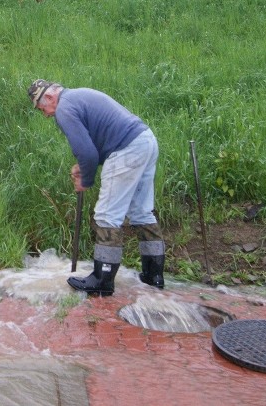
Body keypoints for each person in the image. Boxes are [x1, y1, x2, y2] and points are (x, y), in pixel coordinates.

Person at [27, 79, 166, 296]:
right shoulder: (78, 95)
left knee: (107, 215)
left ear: (50, 98)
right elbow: (94, 147)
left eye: (41, 108)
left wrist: (85, 181)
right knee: (141, 211)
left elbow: (88, 154)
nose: (45, 114)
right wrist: (82, 166)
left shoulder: (64, 109)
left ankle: (102, 280)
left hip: (126, 148)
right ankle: (154, 275)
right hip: (145, 140)